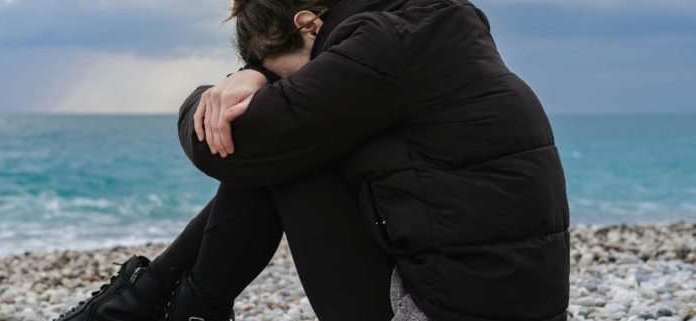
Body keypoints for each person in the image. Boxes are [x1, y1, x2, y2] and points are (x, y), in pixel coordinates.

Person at [57, 0, 571, 320]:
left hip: (449, 312)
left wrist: (208, 96)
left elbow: (234, 143)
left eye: (279, 72)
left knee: (285, 160)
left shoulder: (383, 45)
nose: (281, 84)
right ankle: (159, 306)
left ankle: (154, 306)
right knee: (292, 146)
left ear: (307, 23)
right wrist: (255, 73)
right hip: (511, 303)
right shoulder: (425, 26)